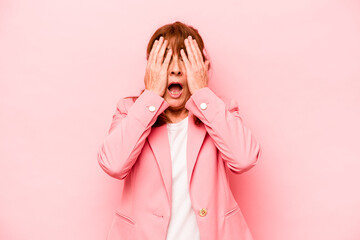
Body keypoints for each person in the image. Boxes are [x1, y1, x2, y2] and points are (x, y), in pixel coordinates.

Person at [97, 21, 262, 240]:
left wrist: (202, 92)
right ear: (152, 69)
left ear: (200, 68)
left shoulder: (220, 111)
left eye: (184, 60)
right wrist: (151, 96)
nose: (175, 69)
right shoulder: (130, 111)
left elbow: (245, 159)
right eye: (166, 61)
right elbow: (113, 164)